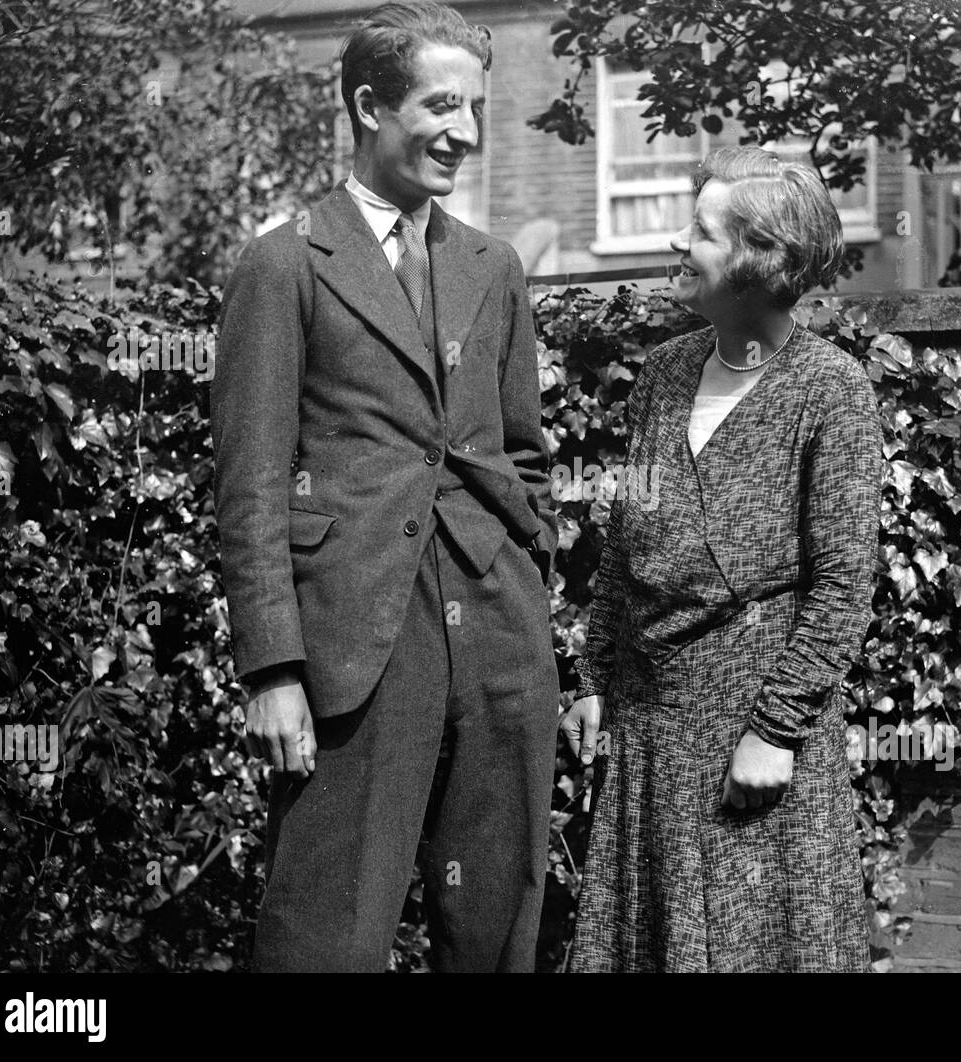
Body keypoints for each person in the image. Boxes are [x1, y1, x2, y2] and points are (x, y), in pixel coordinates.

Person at [210, 1, 559, 972]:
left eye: (477, 108)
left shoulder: (492, 269)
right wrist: (272, 666)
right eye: (443, 106)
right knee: (326, 939)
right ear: (370, 105)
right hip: (354, 646)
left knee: (495, 932)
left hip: (499, 638)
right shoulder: (285, 263)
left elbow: (519, 454)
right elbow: (249, 486)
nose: (469, 134)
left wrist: (528, 580)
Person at [561, 145, 881, 972]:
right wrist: (597, 675)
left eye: (702, 231)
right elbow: (624, 548)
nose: (679, 243)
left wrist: (774, 733)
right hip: (651, 725)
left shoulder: (831, 389)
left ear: (759, 258)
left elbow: (844, 583)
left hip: (755, 733)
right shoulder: (664, 375)